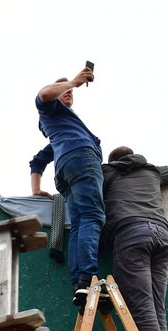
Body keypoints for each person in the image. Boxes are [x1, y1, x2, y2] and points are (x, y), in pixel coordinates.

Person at [102, 147, 168, 331]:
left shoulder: (107, 173)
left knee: (143, 309)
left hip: (132, 235)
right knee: (157, 310)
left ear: (112, 161)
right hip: (162, 237)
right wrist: (147, 168)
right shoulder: (152, 171)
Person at [30, 65, 105, 308]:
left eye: (69, 91)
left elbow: (37, 161)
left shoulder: (61, 134)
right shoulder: (50, 110)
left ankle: (80, 284)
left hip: (66, 169)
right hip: (82, 161)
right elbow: (43, 95)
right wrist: (72, 81)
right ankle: (88, 277)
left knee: (80, 224)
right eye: (63, 91)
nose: (69, 92)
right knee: (93, 217)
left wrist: (36, 189)